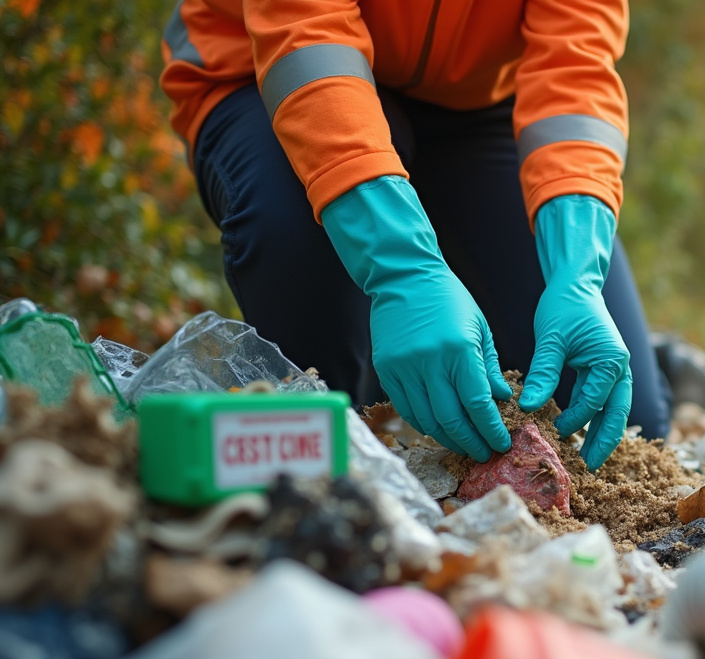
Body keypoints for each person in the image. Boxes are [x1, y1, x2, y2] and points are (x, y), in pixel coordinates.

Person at [159, 0, 671, 470]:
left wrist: (577, 275)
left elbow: (575, 68)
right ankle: (343, 413)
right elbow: (306, 30)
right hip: (268, 68)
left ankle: (420, 354)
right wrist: (404, 270)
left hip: (474, 108)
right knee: (293, 233)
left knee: (628, 423)